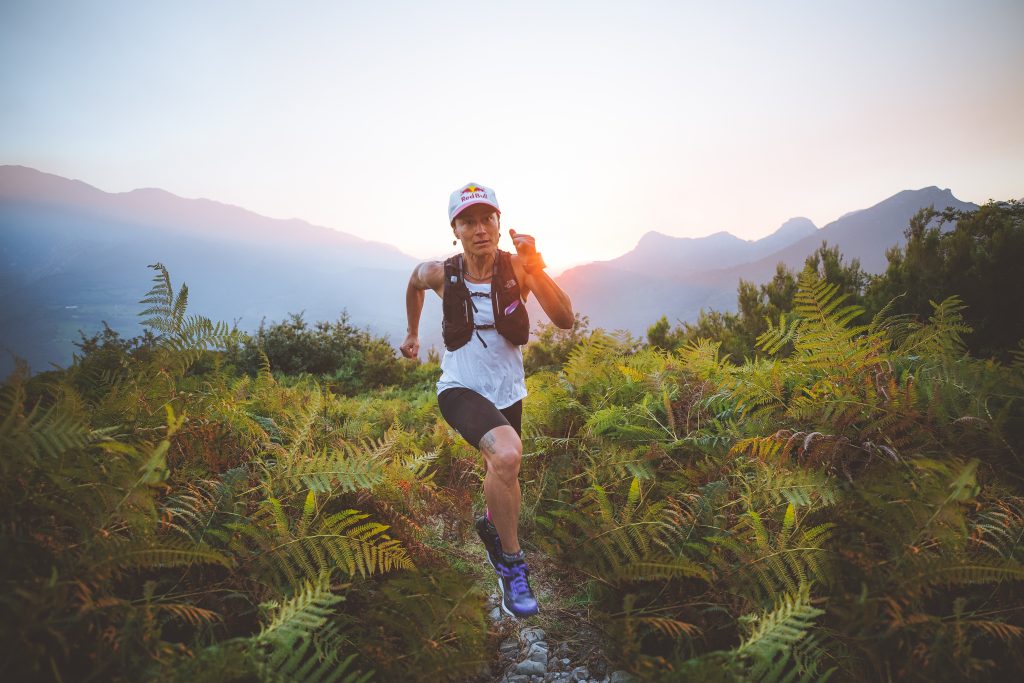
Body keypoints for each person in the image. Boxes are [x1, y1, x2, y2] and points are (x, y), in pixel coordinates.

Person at [400, 182, 574, 617]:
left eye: (487, 219)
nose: (479, 228)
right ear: (455, 229)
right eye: (468, 221)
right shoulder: (443, 272)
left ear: (499, 223)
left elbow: (566, 319)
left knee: (502, 468)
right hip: (460, 389)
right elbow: (413, 282)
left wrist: (536, 267)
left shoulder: (520, 269)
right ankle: (512, 567)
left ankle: (494, 529)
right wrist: (412, 332)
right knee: (508, 456)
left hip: (508, 390)